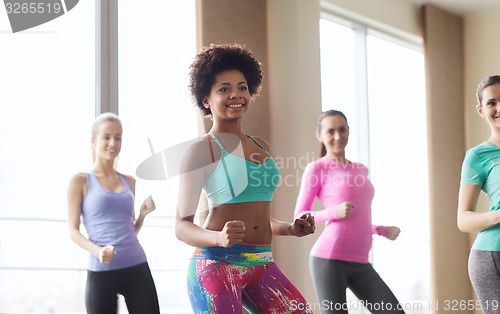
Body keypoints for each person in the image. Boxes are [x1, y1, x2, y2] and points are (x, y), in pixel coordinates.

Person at [175, 43, 315, 313]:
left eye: (242, 87)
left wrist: (291, 229)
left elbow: (256, 214)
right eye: (224, 89)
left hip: (262, 263)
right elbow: (181, 226)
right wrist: (218, 239)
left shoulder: (260, 145)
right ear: (206, 99)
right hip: (216, 265)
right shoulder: (201, 150)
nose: (236, 95)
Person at [294, 109, 404, 314]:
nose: (338, 136)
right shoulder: (317, 168)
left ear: (349, 131)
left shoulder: (361, 169)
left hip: (360, 261)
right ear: (320, 135)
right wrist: (333, 212)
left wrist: (381, 230)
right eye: (330, 131)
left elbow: (357, 219)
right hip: (329, 259)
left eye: (342, 129)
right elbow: (299, 216)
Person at [67, 113, 160, 314]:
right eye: (106, 137)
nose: (113, 143)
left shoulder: (129, 181)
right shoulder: (80, 180)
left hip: (136, 265)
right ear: (94, 141)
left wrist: (143, 214)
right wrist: (97, 251)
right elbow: (73, 231)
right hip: (101, 271)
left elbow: (130, 229)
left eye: (118, 137)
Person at [458, 75, 500, 314]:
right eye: (492, 102)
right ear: (481, 110)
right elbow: (463, 219)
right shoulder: (477, 156)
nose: (499, 108)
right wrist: (498, 216)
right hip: (493, 256)